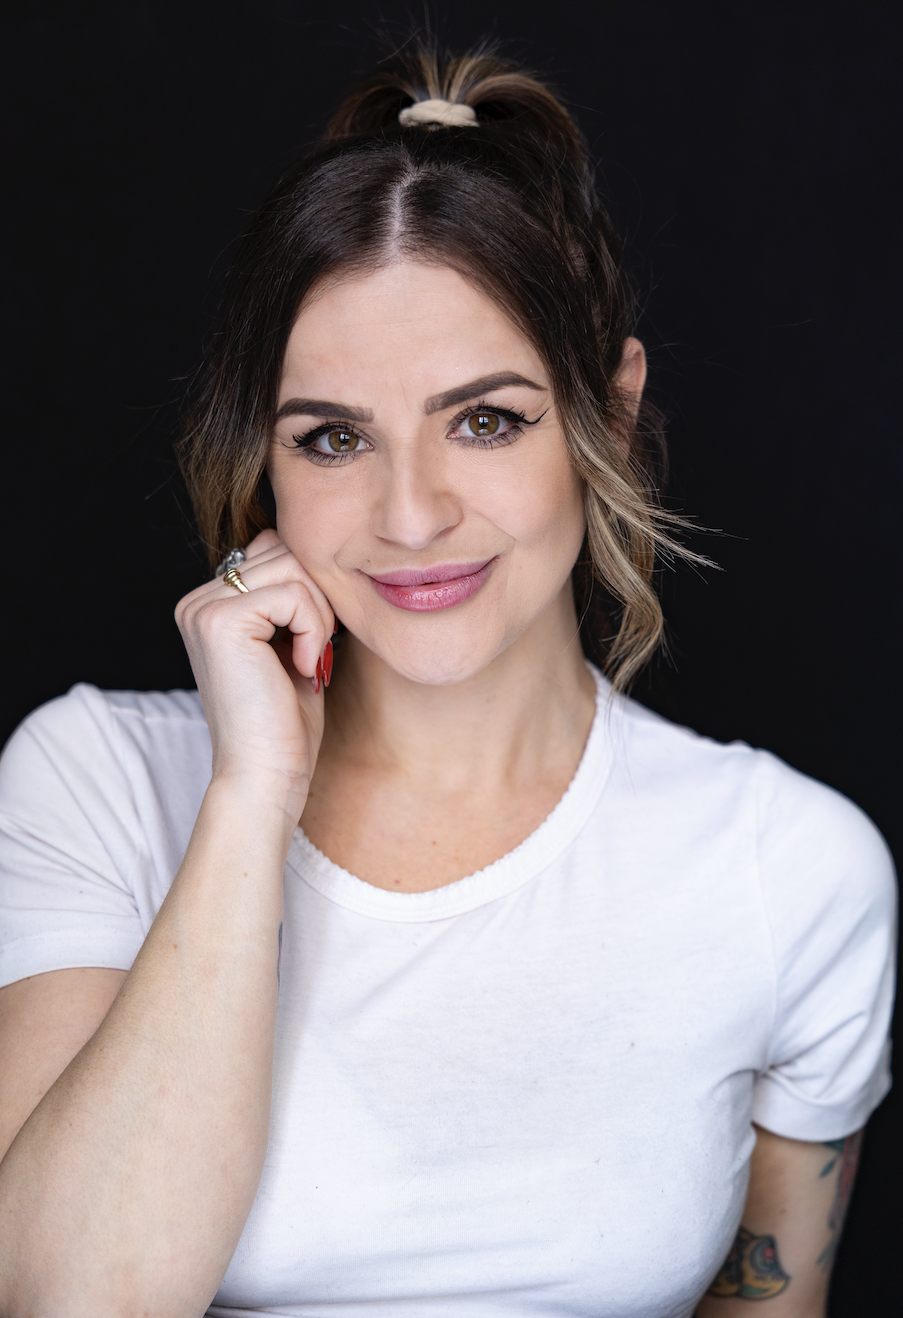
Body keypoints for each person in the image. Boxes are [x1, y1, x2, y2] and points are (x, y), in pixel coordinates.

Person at [0, 46, 894, 1318]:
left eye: (485, 419)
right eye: (333, 437)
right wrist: (251, 796)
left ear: (610, 417)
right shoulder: (94, 782)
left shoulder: (791, 869)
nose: (411, 516)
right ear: (266, 463)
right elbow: (66, 1300)